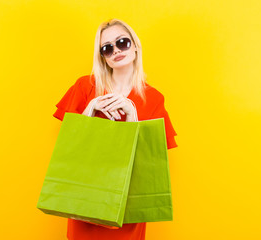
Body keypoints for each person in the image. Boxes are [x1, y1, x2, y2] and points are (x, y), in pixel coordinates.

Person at [53, 18, 178, 240]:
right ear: (102, 57)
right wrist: (90, 108)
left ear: (136, 46)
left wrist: (132, 115)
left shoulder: (153, 98)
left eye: (122, 42)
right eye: (107, 48)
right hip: (85, 200)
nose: (116, 51)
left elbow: (151, 159)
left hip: (128, 204)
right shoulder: (86, 86)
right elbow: (69, 146)